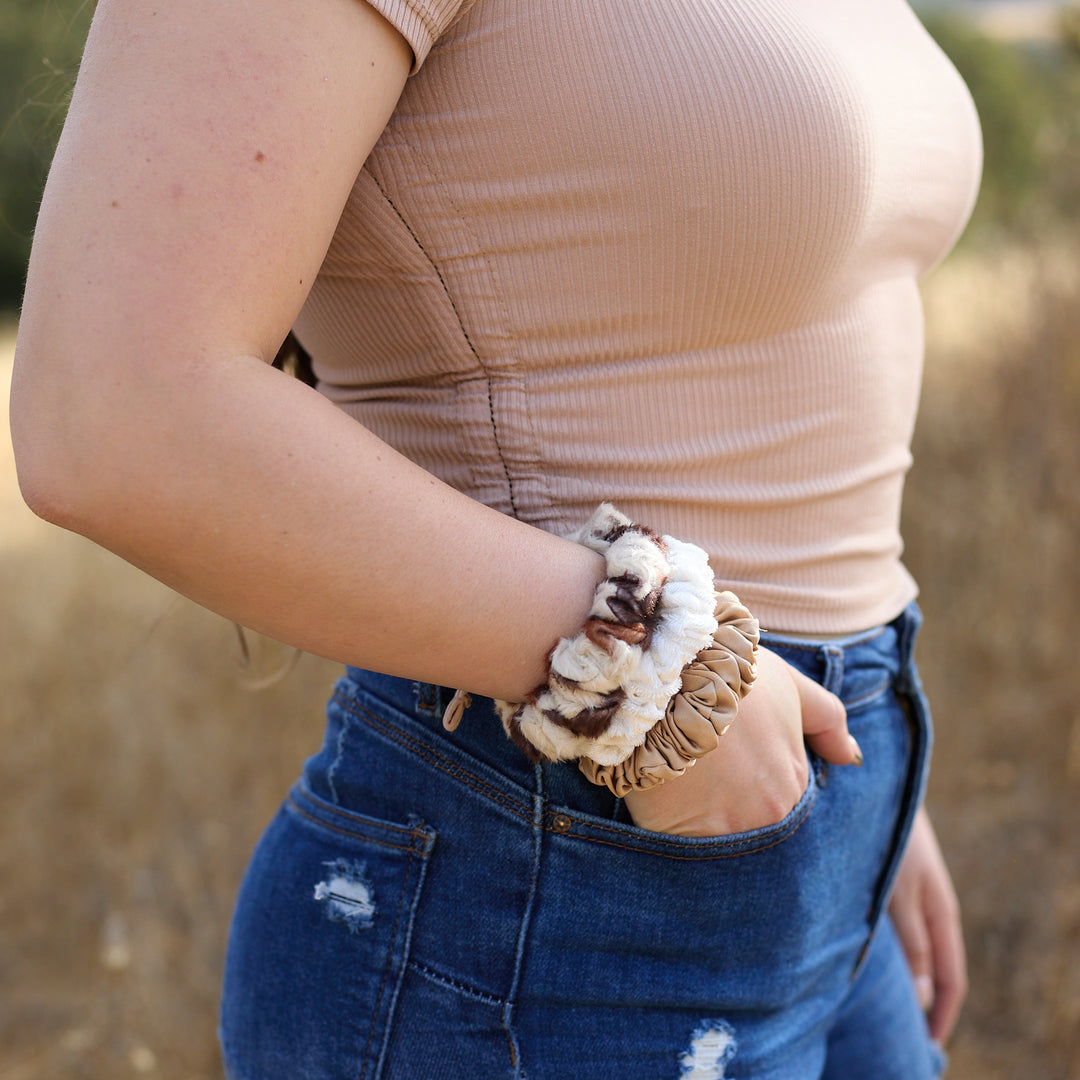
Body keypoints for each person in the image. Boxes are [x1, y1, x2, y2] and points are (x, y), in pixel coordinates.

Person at [11, 0, 974, 1076]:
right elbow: (112, 413)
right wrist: (666, 675)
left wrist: (857, 777)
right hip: (556, 865)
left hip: (811, 796)